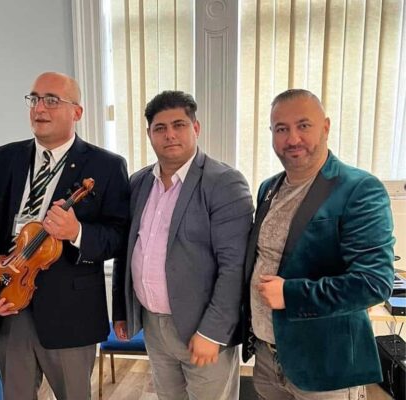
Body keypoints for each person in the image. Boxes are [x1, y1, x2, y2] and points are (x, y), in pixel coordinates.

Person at [0, 71, 130, 399]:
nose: (39, 108)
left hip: (70, 311)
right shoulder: (4, 158)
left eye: (51, 100)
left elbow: (118, 235)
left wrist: (77, 233)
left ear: (77, 112)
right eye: (34, 99)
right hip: (9, 305)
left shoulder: (106, 165)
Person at [241, 89, 395, 399]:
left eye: (303, 125)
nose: (292, 138)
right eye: (281, 129)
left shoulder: (359, 189)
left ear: (325, 127)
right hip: (269, 356)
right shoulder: (268, 188)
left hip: (326, 363)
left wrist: (291, 294)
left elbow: (374, 283)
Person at [112, 90, 254, 400]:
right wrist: (122, 311)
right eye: (160, 128)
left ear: (196, 128)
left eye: (179, 125)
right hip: (153, 324)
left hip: (202, 328)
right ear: (149, 134)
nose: (170, 135)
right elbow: (127, 251)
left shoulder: (224, 182)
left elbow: (234, 267)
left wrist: (212, 332)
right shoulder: (139, 183)